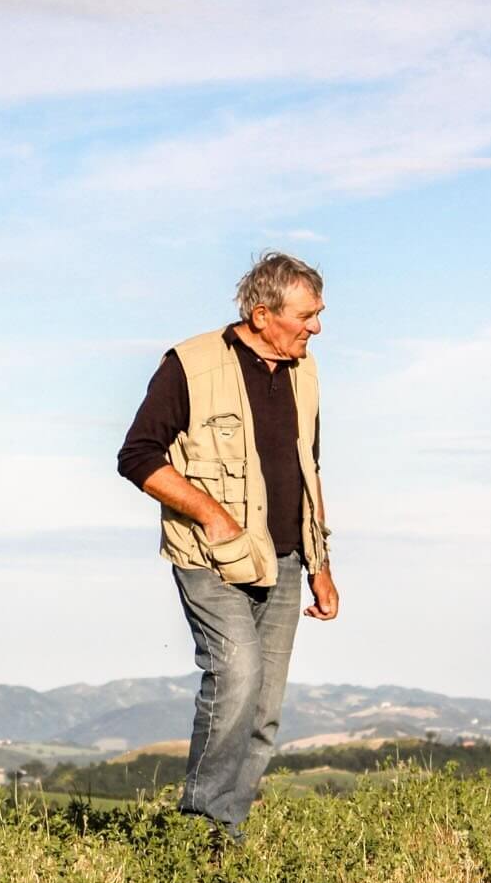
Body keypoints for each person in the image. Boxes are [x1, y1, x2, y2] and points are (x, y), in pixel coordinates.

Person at [116, 251, 340, 843]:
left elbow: (309, 469)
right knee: (236, 676)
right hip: (210, 558)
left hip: (286, 559)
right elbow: (137, 457)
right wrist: (211, 515)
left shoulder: (305, 371)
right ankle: (200, 835)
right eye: (307, 316)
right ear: (262, 315)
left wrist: (320, 564)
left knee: (263, 710)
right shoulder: (188, 365)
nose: (317, 328)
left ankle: (225, 840)